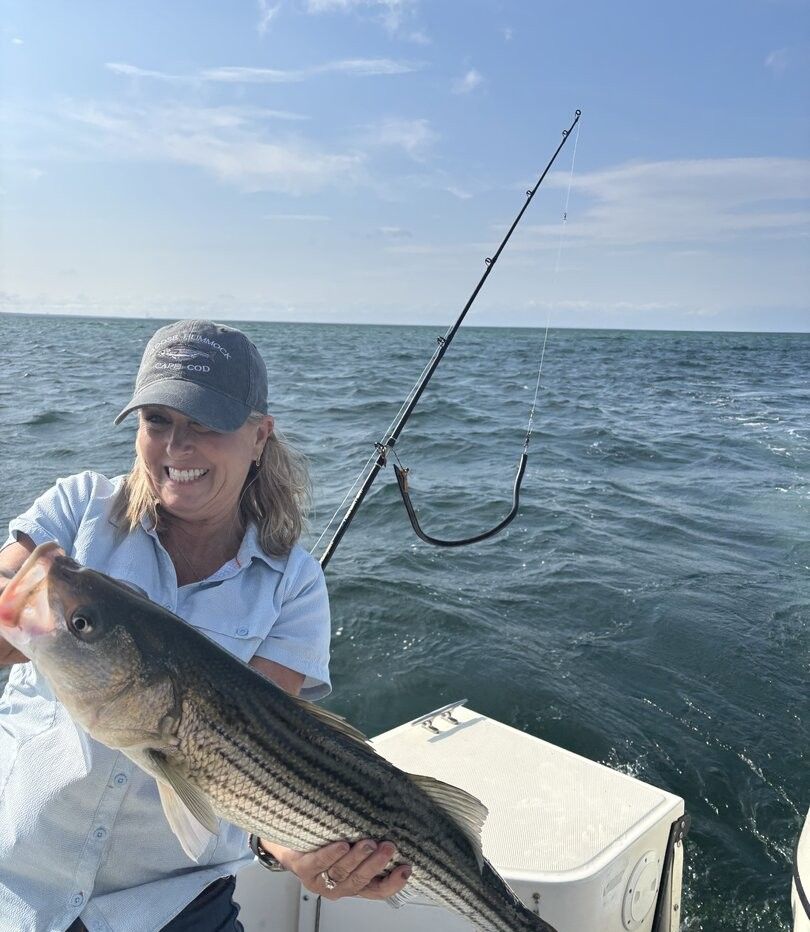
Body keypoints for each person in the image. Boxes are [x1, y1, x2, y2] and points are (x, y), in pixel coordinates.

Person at [0, 320, 410, 932]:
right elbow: (11, 589)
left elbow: (267, 761)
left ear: (258, 436)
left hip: (173, 908)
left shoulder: (292, 587)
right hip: (15, 874)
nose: (176, 446)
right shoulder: (75, 510)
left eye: (205, 424)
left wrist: (290, 848)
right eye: (156, 421)